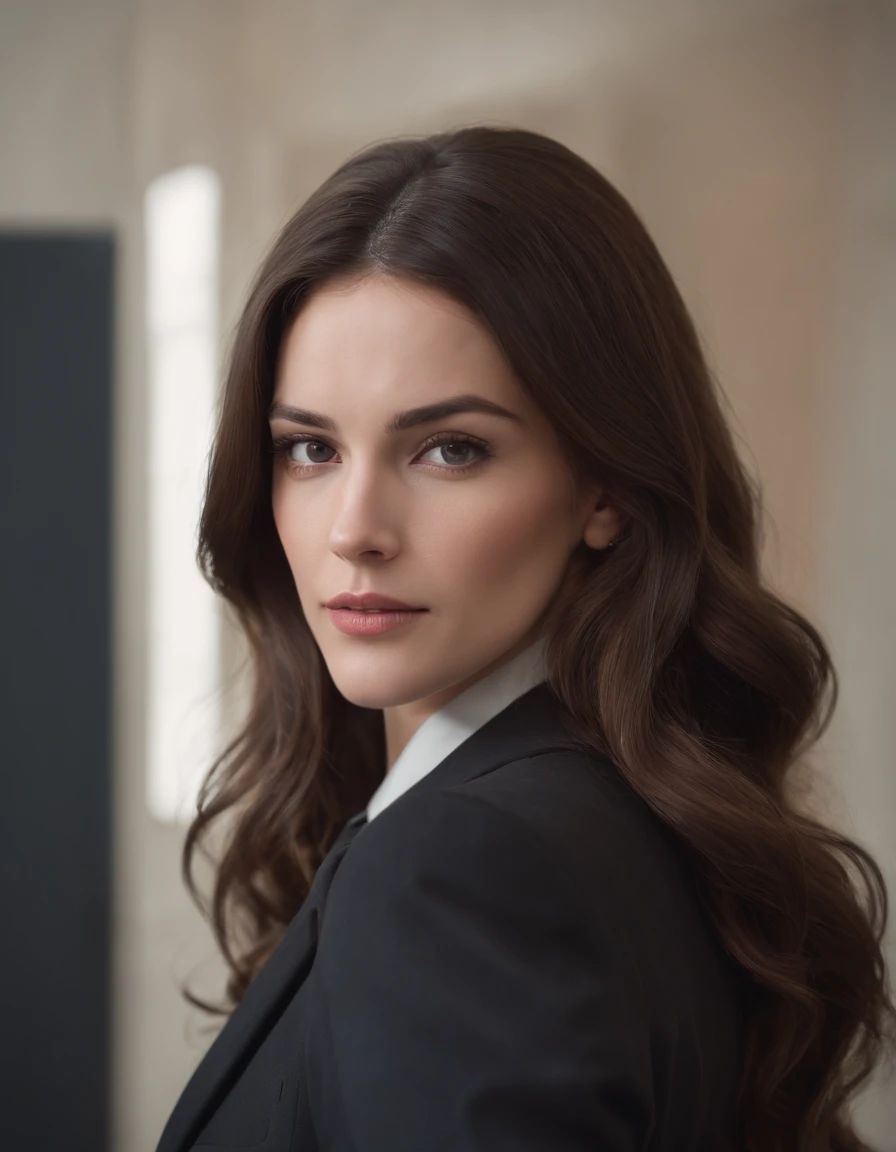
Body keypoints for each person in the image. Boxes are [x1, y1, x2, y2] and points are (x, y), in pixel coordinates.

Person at [155, 126, 896, 1152]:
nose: (352, 529)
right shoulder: (639, 825)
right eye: (309, 448)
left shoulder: (459, 871)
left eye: (449, 449)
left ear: (602, 486)